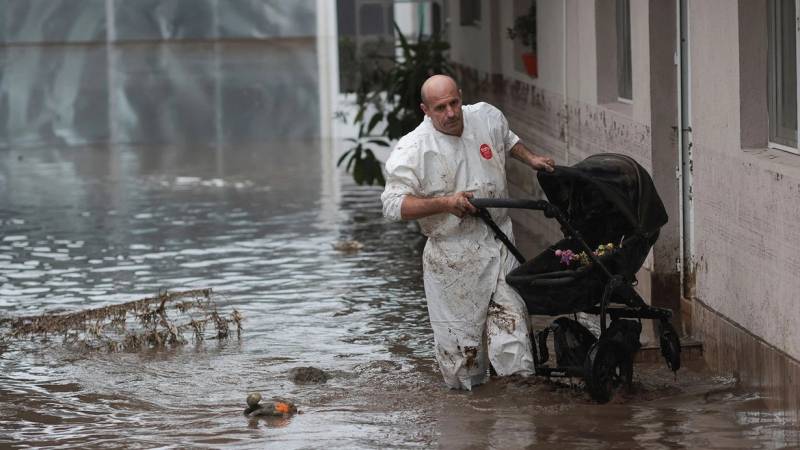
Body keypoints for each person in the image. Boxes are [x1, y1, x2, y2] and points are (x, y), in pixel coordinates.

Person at [381, 74, 555, 390]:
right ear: (425, 110)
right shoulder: (413, 149)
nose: (450, 113)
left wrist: (532, 160)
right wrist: (445, 203)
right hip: (452, 258)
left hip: (499, 241)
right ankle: (470, 415)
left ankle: (517, 417)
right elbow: (393, 205)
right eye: (440, 108)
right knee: (465, 355)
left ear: (461, 97)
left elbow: (507, 138)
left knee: (512, 332)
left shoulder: (486, 117)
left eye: (454, 103)